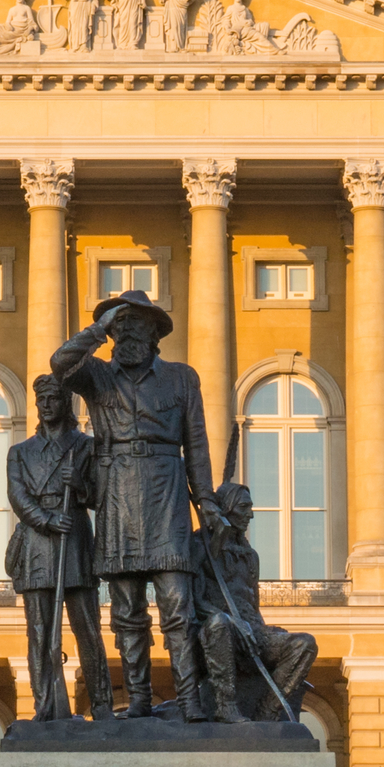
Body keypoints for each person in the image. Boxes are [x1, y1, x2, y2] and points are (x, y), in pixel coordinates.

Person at [50, 293, 220, 719]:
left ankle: (190, 699)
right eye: (117, 326)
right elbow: (59, 363)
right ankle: (140, 698)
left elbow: (196, 444)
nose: (124, 333)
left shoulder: (182, 378)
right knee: (127, 611)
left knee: (177, 605)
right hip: (117, 489)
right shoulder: (97, 376)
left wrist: (207, 501)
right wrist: (94, 329)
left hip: (166, 490)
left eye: (134, 325)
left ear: (153, 333)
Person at [5, 371, 109, 721]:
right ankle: (46, 706)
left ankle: (103, 704)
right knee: (39, 632)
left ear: (67, 403)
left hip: (76, 537)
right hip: (38, 541)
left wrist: (79, 485)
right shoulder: (20, 453)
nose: (47, 406)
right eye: (42, 400)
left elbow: (101, 497)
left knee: (88, 629)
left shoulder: (85, 446)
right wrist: (47, 520)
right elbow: (18, 497)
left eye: (54, 399)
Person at [198, 479, 318, 724]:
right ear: (226, 510)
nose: (250, 515)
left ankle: (268, 711)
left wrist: (263, 630)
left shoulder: (250, 556)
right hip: (221, 633)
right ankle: (226, 706)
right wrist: (233, 622)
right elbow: (194, 602)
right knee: (219, 625)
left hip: (253, 633)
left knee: (304, 643)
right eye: (244, 508)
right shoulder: (201, 548)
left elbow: (253, 605)